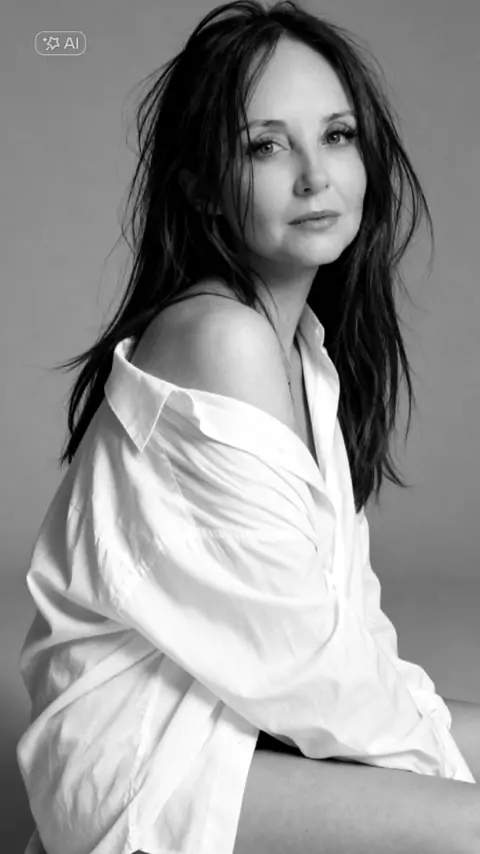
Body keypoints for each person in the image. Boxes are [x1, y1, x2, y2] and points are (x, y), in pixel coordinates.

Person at [16, 2, 480, 853]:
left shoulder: (304, 354)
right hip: (151, 759)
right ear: (201, 184)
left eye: (336, 135)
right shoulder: (220, 338)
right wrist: (438, 771)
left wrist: (430, 740)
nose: (315, 176)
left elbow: (345, 618)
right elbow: (303, 663)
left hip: (242, 715)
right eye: (266, 146)